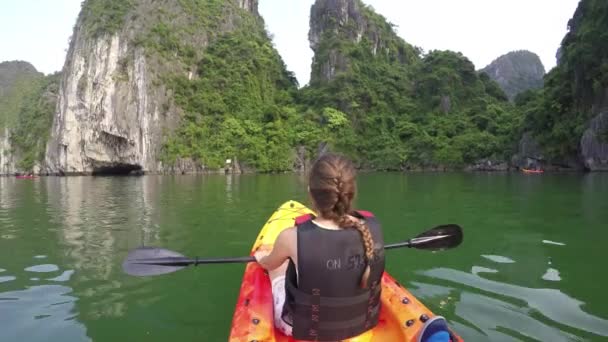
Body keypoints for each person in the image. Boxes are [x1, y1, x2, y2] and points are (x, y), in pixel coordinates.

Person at [254, 153, 386, 341]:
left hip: (307, 331)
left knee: (278, 268)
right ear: (352, 191)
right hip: (363, 323)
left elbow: (268, 264)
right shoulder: (371, 226)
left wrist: (263, 258)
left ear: (310, 192)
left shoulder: (291, 237)